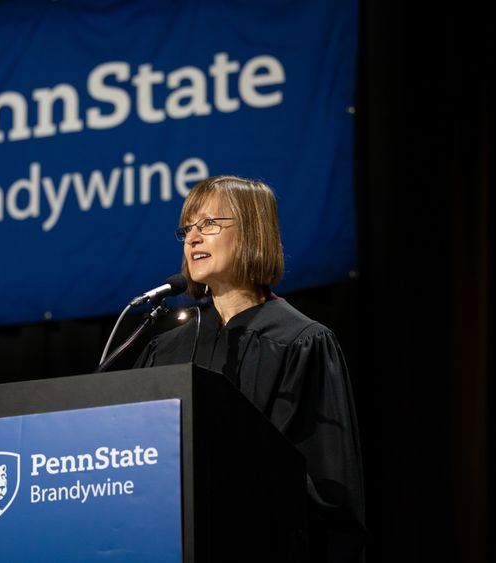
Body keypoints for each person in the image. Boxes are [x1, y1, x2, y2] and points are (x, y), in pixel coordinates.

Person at [134, 175, 366, 562]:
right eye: (188, 228)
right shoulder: (168, 348)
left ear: (252, 233)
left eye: (209, 224)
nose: (193, 238)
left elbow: (327, 486)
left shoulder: (300, 342)